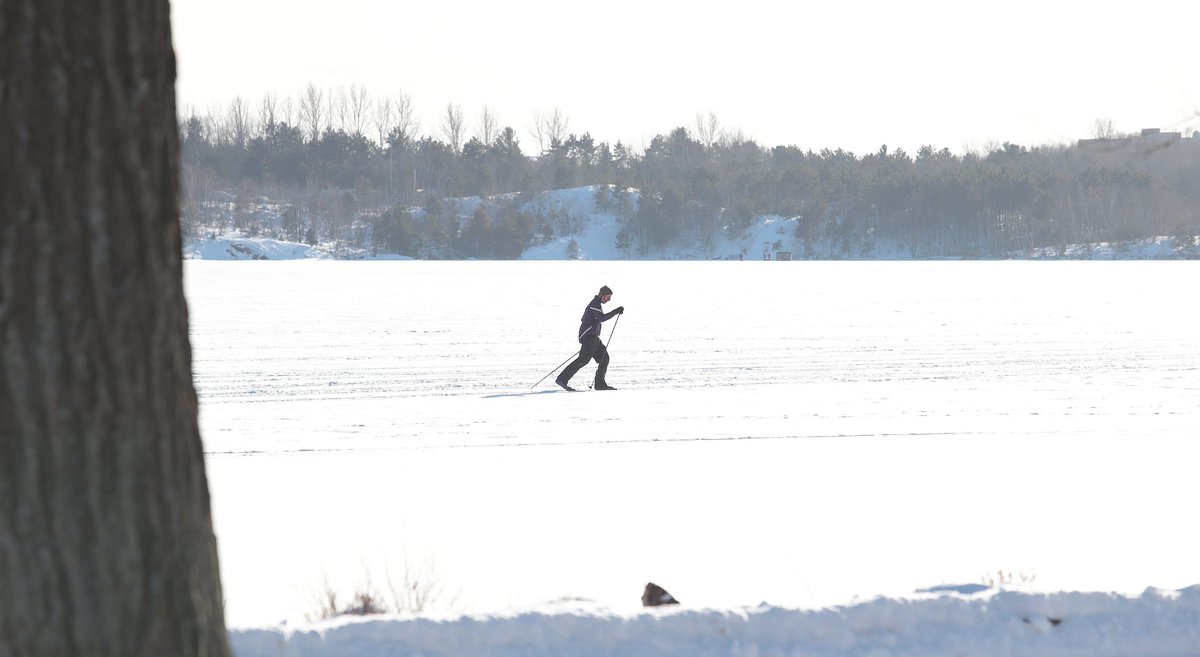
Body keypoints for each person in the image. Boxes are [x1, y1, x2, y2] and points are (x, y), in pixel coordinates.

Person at [556, 285, 624, 391]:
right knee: (583, 360)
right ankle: (561, 379)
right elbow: (601, 318)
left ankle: (600, 385)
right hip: (589, 338)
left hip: (594, 338)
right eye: (608, 297)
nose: (609, 299)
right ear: (602, 295)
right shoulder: (594, 305)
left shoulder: (596, 304)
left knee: (604, 358)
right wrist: (615, 311)